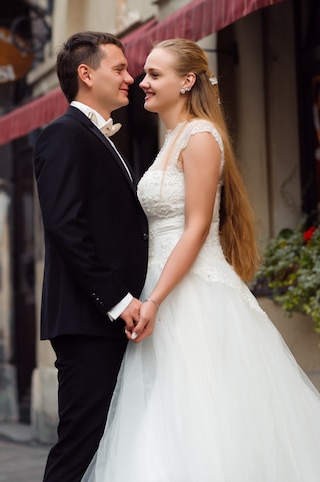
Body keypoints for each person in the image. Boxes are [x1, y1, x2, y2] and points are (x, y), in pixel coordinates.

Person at [82, 38, 320, 481]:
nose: (142, 83)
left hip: (193, 296)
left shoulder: (201, 137)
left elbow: (195, 228)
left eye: (155, 74)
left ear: (187, 81)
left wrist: (154, 300)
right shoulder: (173, 138)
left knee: (208, 415)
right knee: (165, 417)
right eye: (144, 74)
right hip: (162, 289)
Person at [33, 31, 149, 481]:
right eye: (119, 68)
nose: (130, 77)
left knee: (112, 441)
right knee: (81, 443)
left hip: (109, 319)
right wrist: (119, 302)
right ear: (86, 74)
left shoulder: (96, 136)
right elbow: (66, 227)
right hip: (89, 320)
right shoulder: (63, 135)